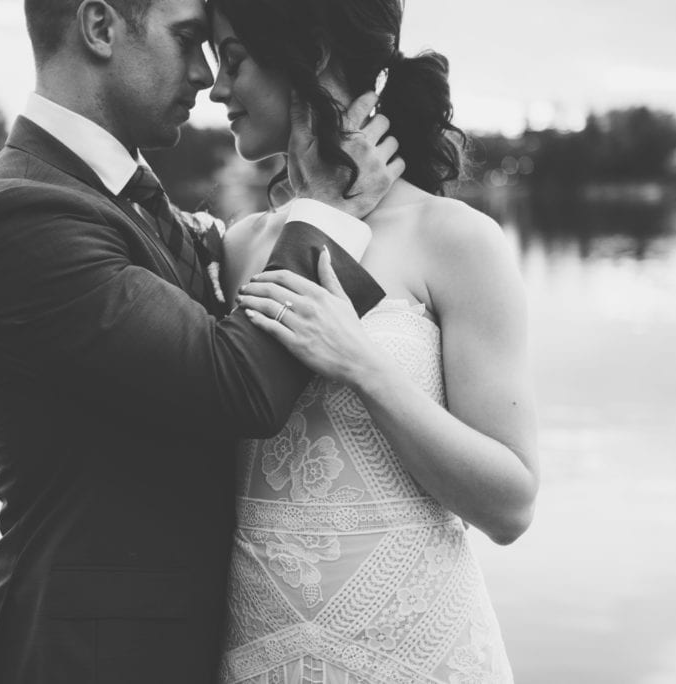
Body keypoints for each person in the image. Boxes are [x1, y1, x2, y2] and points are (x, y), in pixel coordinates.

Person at [0, 0, 405, 682]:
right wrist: (329, 211)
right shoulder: (25, 216)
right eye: (188, 39)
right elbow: (236, 383)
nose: (205, 73)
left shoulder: (109, 197)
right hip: (82, 660)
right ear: (100, 27)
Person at [206, 0, 540, 681]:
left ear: (313, 55)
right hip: (260, 656)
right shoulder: (238, 248)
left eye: (233, 62)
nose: (216, 89)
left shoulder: (455, 240)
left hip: (416, 656)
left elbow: (510, 504)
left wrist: (363, 365)